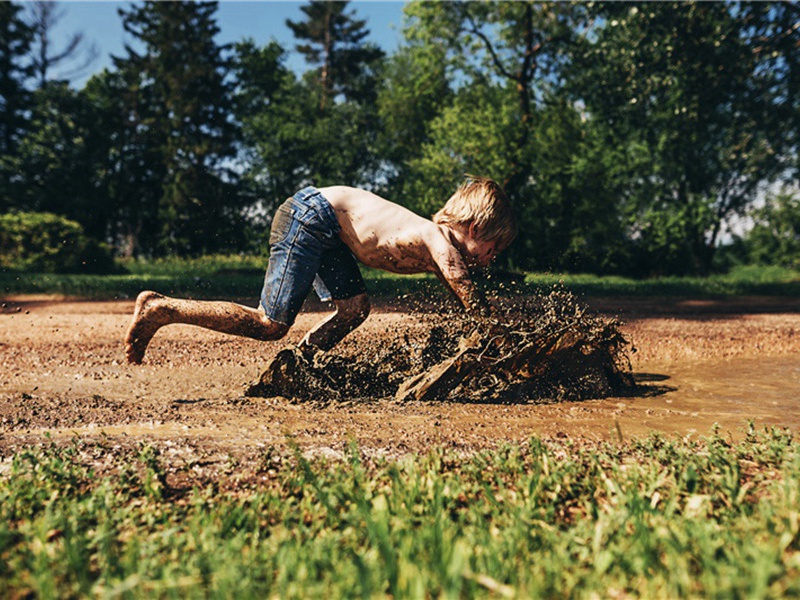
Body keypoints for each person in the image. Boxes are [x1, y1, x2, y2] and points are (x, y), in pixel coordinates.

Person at [124, 176, 517, 365]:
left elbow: (464, 305)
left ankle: (299, 364)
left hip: (329, 231)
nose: (491, 258)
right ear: (475, 228)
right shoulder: (437, 240)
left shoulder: (437, 247)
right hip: (311, 216)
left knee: (355, 309)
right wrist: (503, 338)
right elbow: (468, 293)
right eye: (493, 248)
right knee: (269, 324)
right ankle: (162, 308)